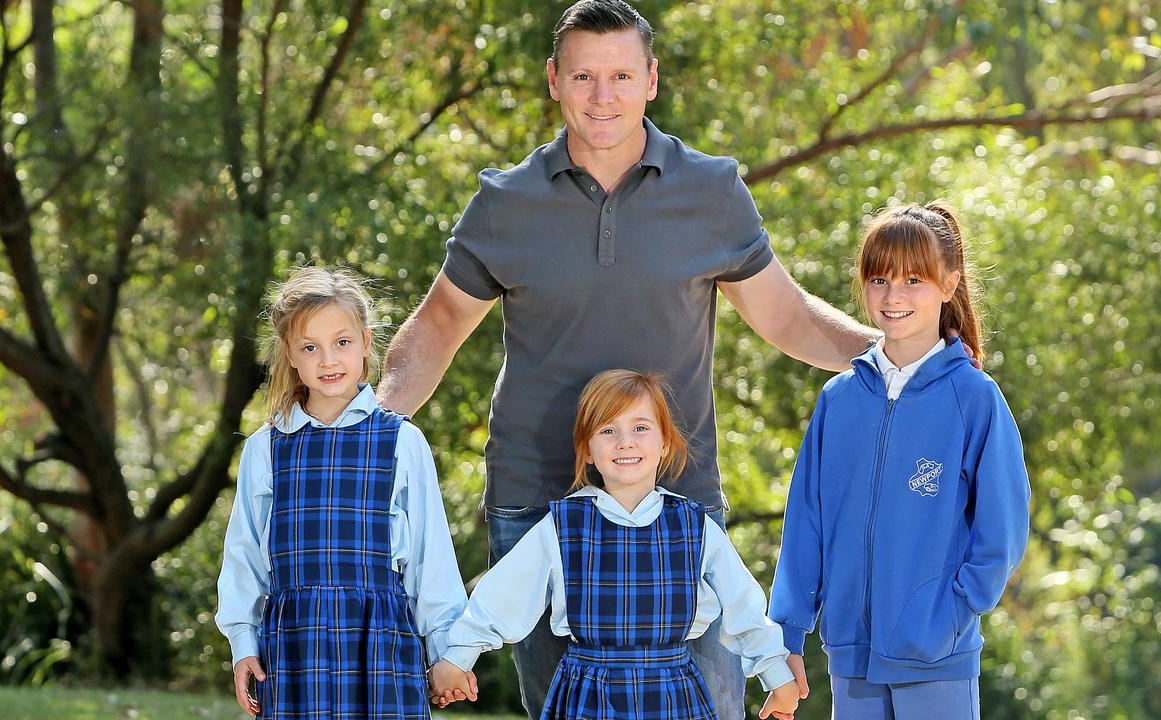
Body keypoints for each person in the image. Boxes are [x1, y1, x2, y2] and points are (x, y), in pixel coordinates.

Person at [377, 1, 873, 716]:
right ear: (554, 80)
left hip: (679, 501)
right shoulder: (504, 203)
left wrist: (896, 357)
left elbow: (788, 316)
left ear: (651, 79)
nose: (601, 96)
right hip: (536, 501)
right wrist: (368, 426)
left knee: (706, 706)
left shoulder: (711, 193)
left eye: (619, 75)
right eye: (584, 76)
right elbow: (437, 327)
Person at [768, 202, 1031, 719]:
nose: (894, 296)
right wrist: (787, 632)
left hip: (939, 659)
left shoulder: (974, 399)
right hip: (851, 660)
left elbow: (1003, 530)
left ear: (949, 284)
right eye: (879, 278)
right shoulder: (838, 401)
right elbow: (806, 525)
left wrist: (951, 613)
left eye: (914, 279)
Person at [430, 369, 802, 720]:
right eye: (608, 430)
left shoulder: (695, 526)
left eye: (641, 427)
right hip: (588, 695)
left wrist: (775, 673)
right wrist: (458, 656)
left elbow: (745, 608)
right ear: (587, 449)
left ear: (664, 443)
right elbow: (502, 598)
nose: (625, 441)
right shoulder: (562, 527)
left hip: (672, 694)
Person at [214, 267, 471, 718]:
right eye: (310, 347)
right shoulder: (266, 448)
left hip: (383, 645)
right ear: (290, 355)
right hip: (294, 647)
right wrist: (241, 641)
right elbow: (244, 556)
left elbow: (432, 561)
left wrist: (449, 653)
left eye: (342, 342)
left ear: (367, 343)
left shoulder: (402, 442)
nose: (328, 360)